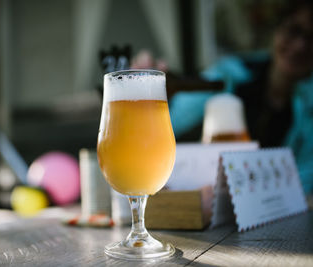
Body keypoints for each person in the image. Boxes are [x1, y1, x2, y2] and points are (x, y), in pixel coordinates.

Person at [132, 0, 313, 194]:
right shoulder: (229, 75)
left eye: (312, 38)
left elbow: (305, 183)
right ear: (276, 30)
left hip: (279, 210)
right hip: (215, 201)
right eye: (293, 30)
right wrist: (148, 101)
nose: (300, 46)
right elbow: (174, 119)